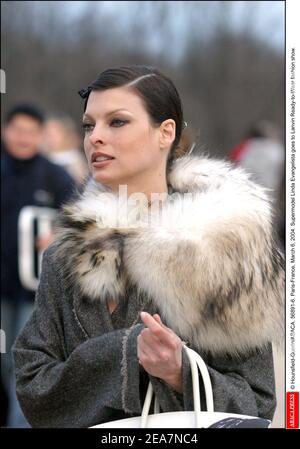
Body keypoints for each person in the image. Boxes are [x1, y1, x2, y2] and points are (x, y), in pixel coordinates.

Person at [12, 66, 284, 428]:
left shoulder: (228, 246)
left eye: (117, 122)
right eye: (89, 125)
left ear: (165, 132)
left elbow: (258, 402)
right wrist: (125, 353)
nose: (95, 138)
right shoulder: (67, 252)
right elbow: (32, 385)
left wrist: (179, 372)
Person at [1, 103, 76, 427]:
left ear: (41, 135)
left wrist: (57, 234)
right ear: (6, 132)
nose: (23, 137)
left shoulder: (55, 176)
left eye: (31, 131)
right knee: (4, 363)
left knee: (26, 363)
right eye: (17, 130)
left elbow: (79, 219)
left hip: (34, 293)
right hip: (0, 289)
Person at [42, 112, 88, 184]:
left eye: (53, 134)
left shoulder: (74, 162)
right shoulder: (44, 157)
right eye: (46, 133)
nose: (48, 138)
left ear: (67, 135)